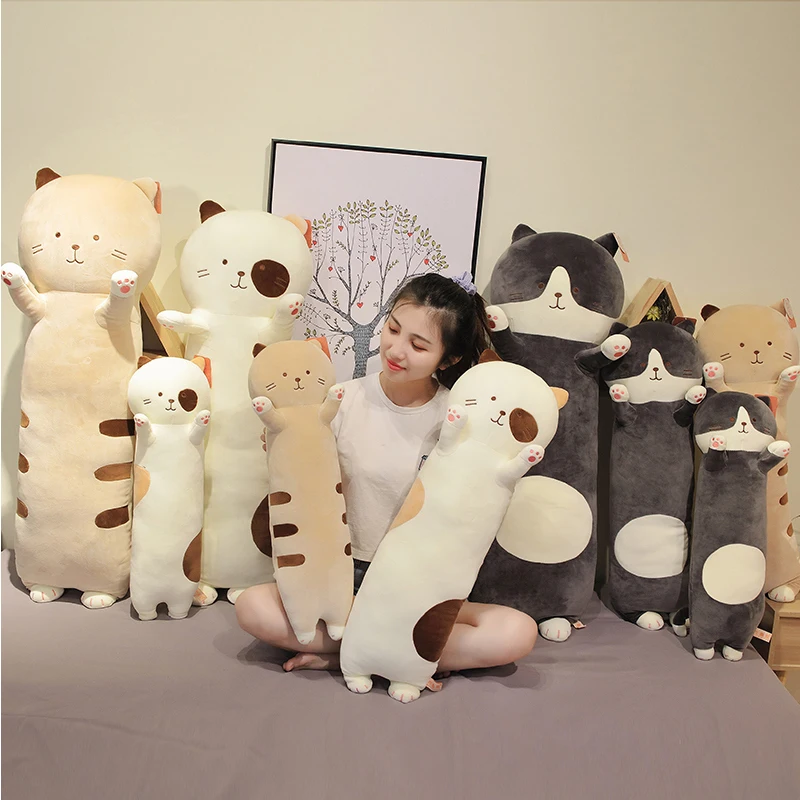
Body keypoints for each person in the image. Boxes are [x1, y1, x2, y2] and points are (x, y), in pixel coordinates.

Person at [235, 272, 538, 682]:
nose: (396, 350)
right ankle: (387, 651)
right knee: (252, 607)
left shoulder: (458, 417)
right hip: (340, 576)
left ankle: (352, 652)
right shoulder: (339, 401)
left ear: (447, 360)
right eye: (393, 329)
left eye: (418, 345)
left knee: (517, 632)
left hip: (413, 584)